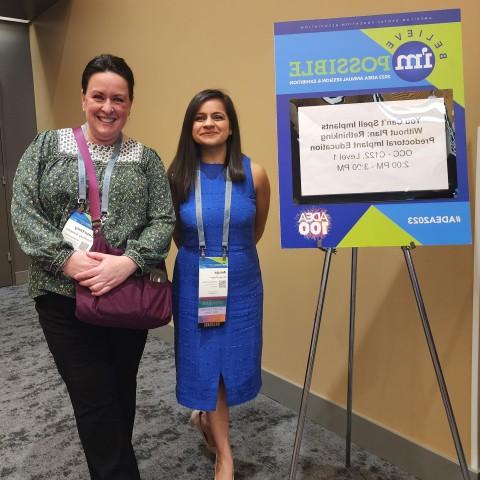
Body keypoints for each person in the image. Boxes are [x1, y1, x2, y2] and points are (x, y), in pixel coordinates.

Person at [11, 54, 175, 480]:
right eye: (98, 96)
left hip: (126, 296)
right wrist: (66, 259)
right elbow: (23, 210)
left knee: (121, 394)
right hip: (62, 297)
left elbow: (163, 219)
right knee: (95, 400)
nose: (108, 107)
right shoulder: (47, 147)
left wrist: (129, 263)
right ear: (83, 98)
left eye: (118, 99)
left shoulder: (146, 158)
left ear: (130, 103)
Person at [168, 89, 270, 480]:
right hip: (196, 280)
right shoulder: (176, 176)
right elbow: (178, 233)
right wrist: (204, 256)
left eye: (218, 117)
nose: (209, 123)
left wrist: (229, 255)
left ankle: (208, 421)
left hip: (242, 279)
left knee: (232, 363)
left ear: (230, 127)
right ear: (190, 127)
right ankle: (225, 456)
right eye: (200, 117)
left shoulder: (253, 172)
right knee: (206, 363)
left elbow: (254, 228)